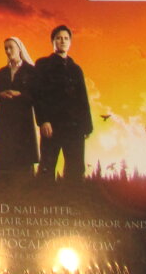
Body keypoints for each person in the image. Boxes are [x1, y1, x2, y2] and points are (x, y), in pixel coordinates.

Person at [32, 25, 93, 182]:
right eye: (58, 38)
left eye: (66, 38)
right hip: (52, 125)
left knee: (76, 169)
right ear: (53, 41)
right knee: (47, 167)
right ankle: (45, 197)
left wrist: (87, 126)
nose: (63, 41)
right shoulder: (43, 65)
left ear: (70, 42)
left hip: (74, 127)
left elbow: (83, 99)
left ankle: (72, 197)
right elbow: (37, 94)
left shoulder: (76, 69)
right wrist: (43, 121)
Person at [0, 36, 39, 178]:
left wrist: (19, 94)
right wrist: (1, 94)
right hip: (5, 126)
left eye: (11, 47)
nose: (8, 51)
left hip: (24, 126)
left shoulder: (31, 71)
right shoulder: (1, 72)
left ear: (19, 49)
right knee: (3, 169)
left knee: (23, 170)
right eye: (6, 48)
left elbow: (37, 96)